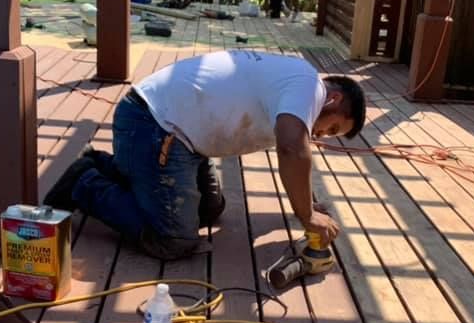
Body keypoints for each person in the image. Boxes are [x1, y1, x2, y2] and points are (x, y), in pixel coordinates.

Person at [44, 50, 366, 260]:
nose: (324, 136)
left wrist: (307, 201)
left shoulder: (297, 79)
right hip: (155, 127)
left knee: (211, 209)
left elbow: (295, 148)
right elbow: (293, 148)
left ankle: (103, 165)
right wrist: (306, 215)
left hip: (177, 137)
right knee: (174, 239)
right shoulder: (310, 88)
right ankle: (84, 184)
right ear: (333, 99)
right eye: (334, 128)